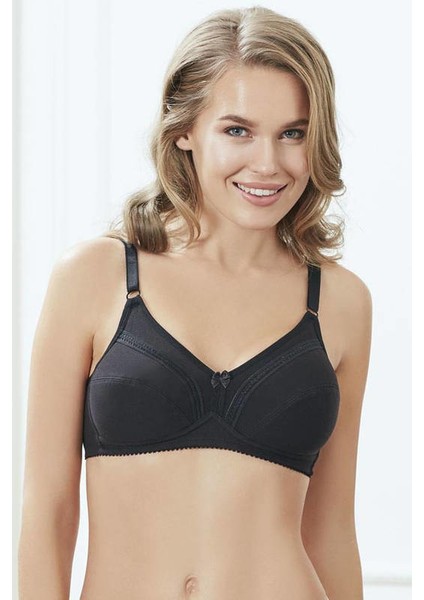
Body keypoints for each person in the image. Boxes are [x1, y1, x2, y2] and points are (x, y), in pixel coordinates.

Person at [18, 5, 372, 599]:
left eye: (293, 133)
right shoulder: (96, 277)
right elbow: (48, 510)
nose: (268, 163)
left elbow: (331, 529)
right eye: (237, 130)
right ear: (183, 128)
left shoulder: (339, 302)